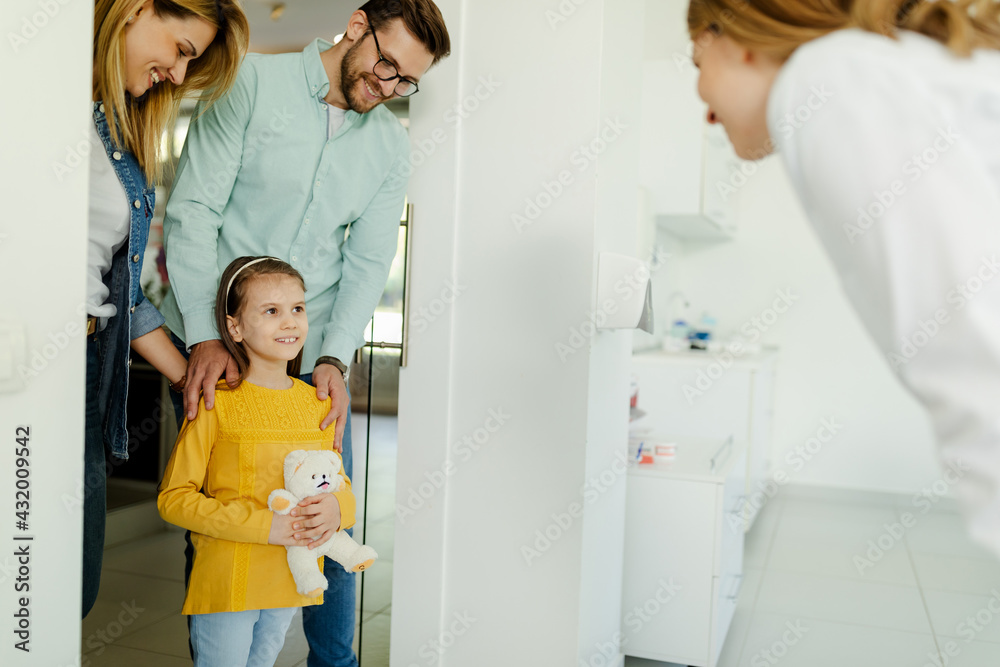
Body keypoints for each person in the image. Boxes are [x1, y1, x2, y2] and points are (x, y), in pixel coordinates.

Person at [160, 1, 450, 663]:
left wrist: (332, 357)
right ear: (356, 26)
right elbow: (194, 212)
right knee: (218, 512)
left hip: (306, 357)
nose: (387, 89)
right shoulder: (248, 86)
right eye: (385, 65)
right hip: (219, 344)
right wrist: (206, 334)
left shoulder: (388, 146)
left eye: (406, 82)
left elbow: (368, 259)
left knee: (329, 513)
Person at [686, 0, 1000, 554]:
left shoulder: (826, 81)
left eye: (696, 65)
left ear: (736, 38)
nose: (704, 105)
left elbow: (975, 359)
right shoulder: (871, 70)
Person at [84, 0, 248, 617]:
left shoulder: (117, 135)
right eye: (181, 50)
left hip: (87, 367)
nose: (178, 76)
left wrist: (193, 378)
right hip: (24, 360)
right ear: (136, 9)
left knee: (71, 581)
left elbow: (115, 290)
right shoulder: (32, 95)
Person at [158, 256, 358, 667]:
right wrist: (269, 526)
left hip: (288, 579)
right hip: (228, 583)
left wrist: (340, 509)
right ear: (235, 327)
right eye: (271, 311)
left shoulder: (317, 404)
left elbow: (339, 486)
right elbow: (174, 499)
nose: (289, 323)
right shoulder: (216, 403)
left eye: (297, 309)